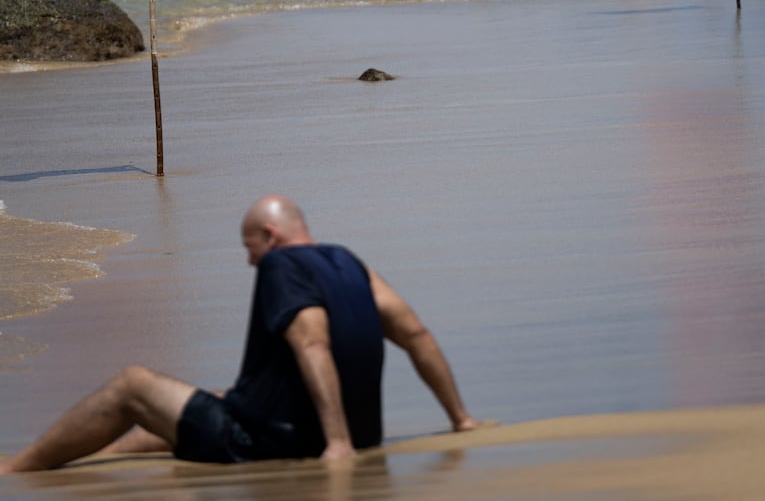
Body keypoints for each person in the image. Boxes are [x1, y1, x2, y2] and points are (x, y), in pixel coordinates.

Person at [0, 195, 479, 473]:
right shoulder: (347, 261)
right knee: (198, 403)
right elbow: (416, 334)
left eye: (248, 249)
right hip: (349, 431)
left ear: (269, 235)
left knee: (133, 384)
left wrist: (337, 444)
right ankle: (88, 459)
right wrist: (460, 419)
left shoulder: (278, 264)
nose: (250, 261)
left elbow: (312, 343)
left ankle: (15, 468)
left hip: (280, 440)